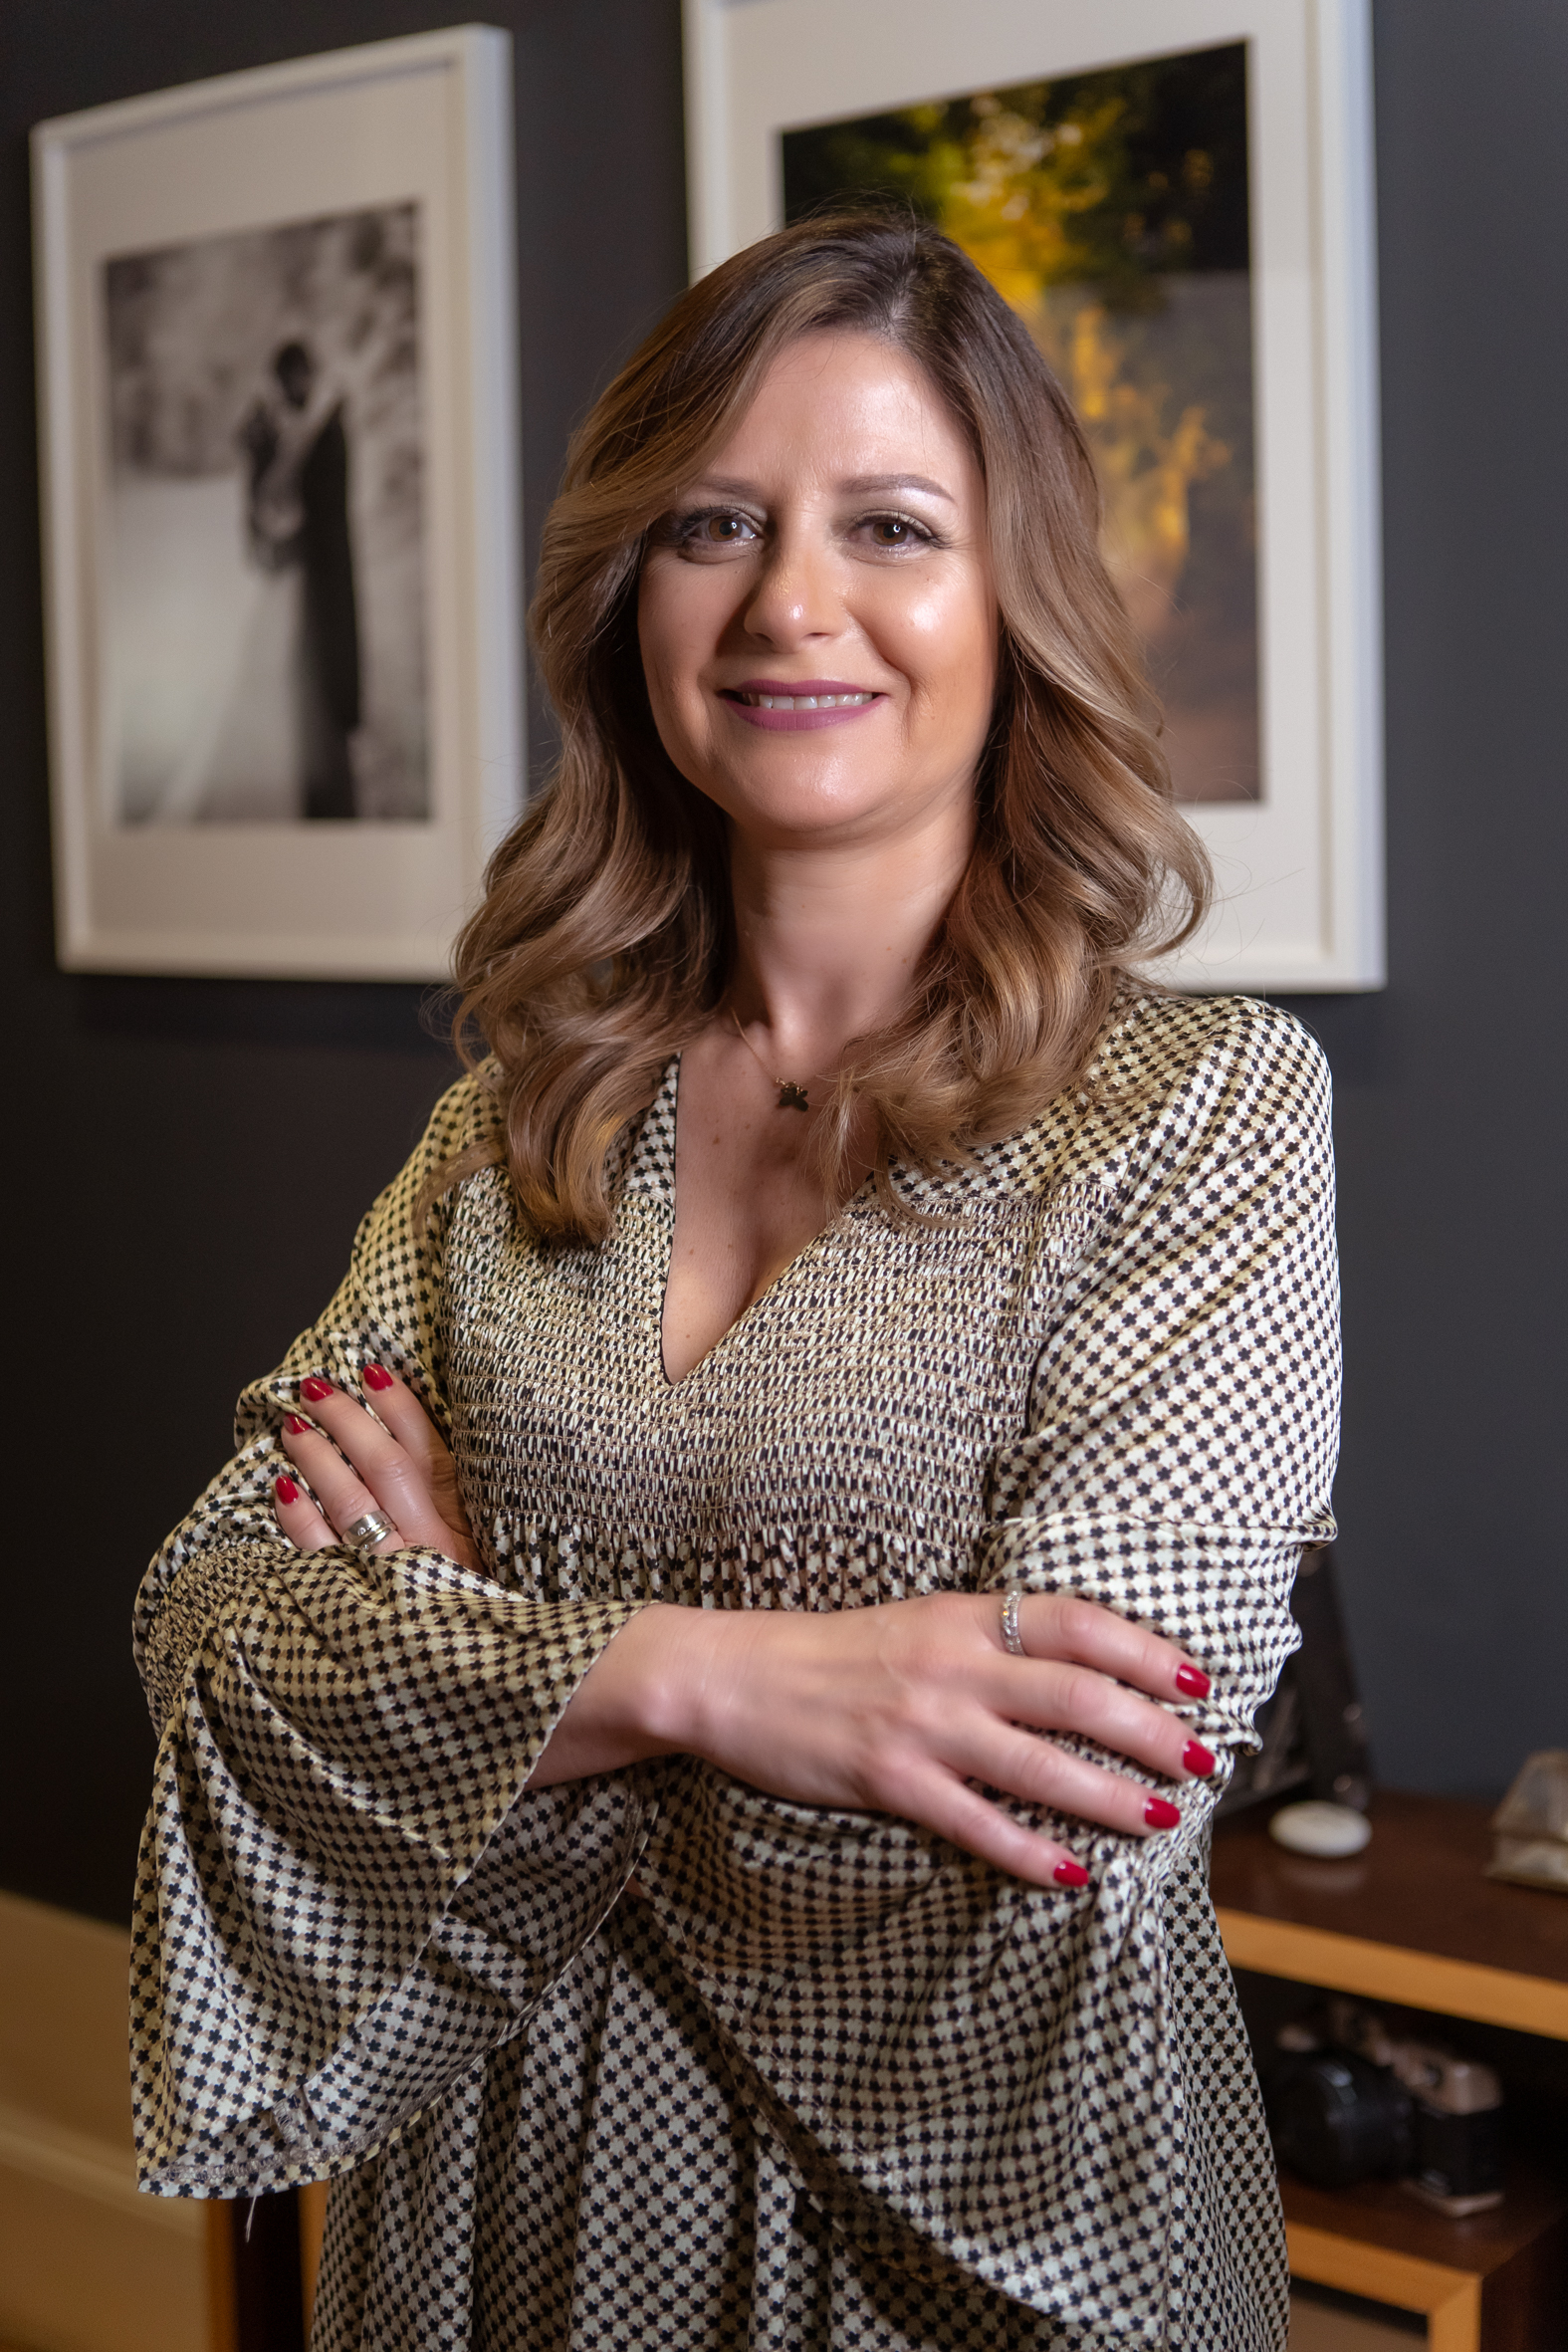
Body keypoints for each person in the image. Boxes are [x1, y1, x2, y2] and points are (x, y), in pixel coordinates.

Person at [131, 215, 1337, 2351]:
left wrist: (477, 1670)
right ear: (635, 594)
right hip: (485, 2210)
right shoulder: (515, 1120)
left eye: (891, 525)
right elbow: (213, 1631)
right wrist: (728, 1684)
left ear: (1012, 596)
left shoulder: (1198, 1113)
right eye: (714, 523)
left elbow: (1084, 1800)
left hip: (978, 2247)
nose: (790, 600)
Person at [238, 340, 362, 819]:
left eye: (303, 376)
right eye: (291, 378)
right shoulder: (273, 431)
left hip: (319, 584)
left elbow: (320, 507)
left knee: (317, 700)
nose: (299, 386)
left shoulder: (324, 429)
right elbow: (263, 512)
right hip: (293, 585)